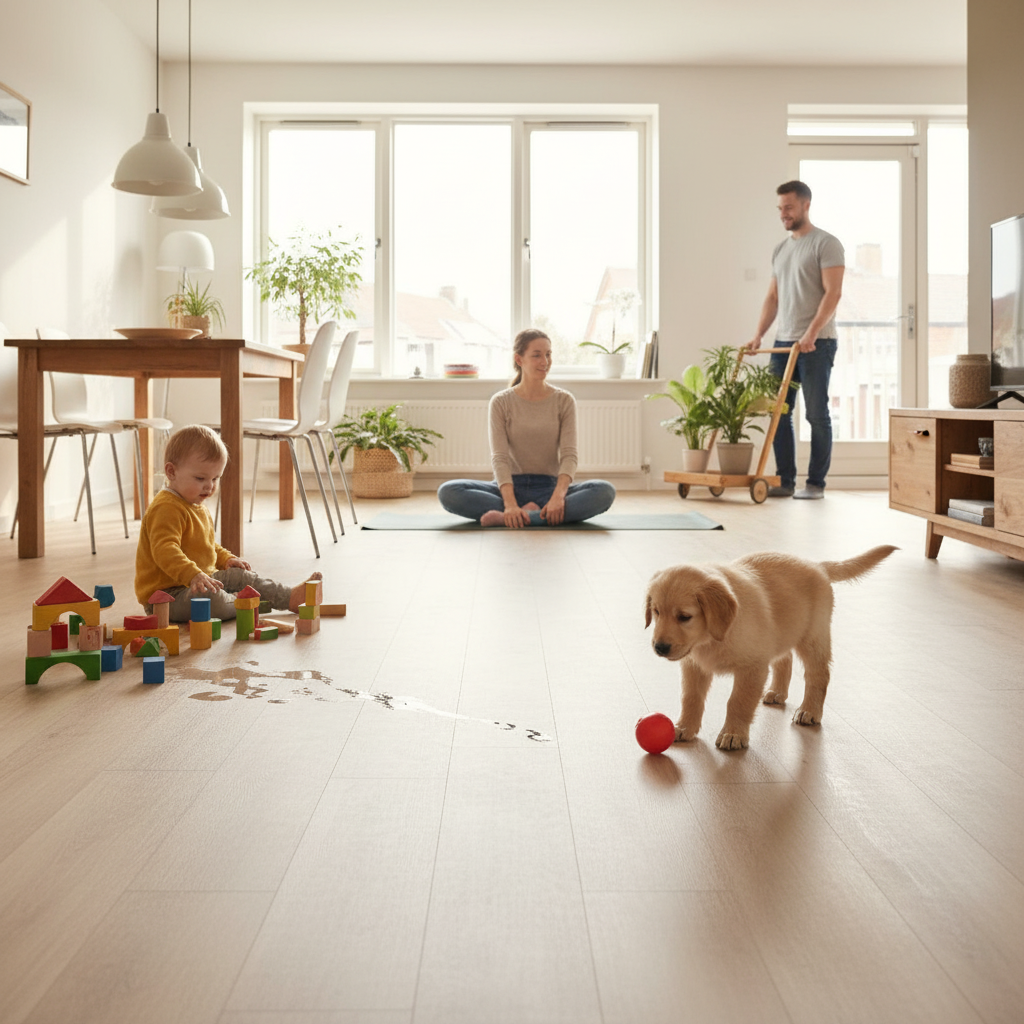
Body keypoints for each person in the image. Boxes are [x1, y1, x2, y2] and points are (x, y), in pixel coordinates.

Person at [135, 424, 319, 620]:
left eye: (215, 478)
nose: (209, 486)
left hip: (200, 580)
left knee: (240, 576)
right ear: (171, 472)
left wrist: (226, 559)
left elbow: (206, 545)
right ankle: (247, 602)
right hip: (167, 597)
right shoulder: (166, 508)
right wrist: (192, 575)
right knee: (210, 599)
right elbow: (165, 550)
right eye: (200, 478)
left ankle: (289, 597)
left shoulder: (196, 503)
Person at [437, 328, 616, 527]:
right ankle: (534, 515)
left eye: (548, 354)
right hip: (509, 486)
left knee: (604, 491)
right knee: (448, 492)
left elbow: (569, 455)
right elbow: (500, 457)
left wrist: (558, 497)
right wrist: (510, 503)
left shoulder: (563, 400)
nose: (545, 361)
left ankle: (514, 518)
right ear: (519, 359)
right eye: (537, 355)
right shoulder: (501, 402)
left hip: (550, 487)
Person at [746, 180, 845, 499]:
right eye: (780, 209)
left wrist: (812, 332)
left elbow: (833, 293)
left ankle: (816, 483)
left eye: (788, 207)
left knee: (816, 413)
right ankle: (785, 480)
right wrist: (759, 334)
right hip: (783, 343)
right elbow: (773, 297)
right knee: (778, 413)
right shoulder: (781, 249)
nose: (783, 214)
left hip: (817, 342)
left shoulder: (826, 243)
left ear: (805, 205)